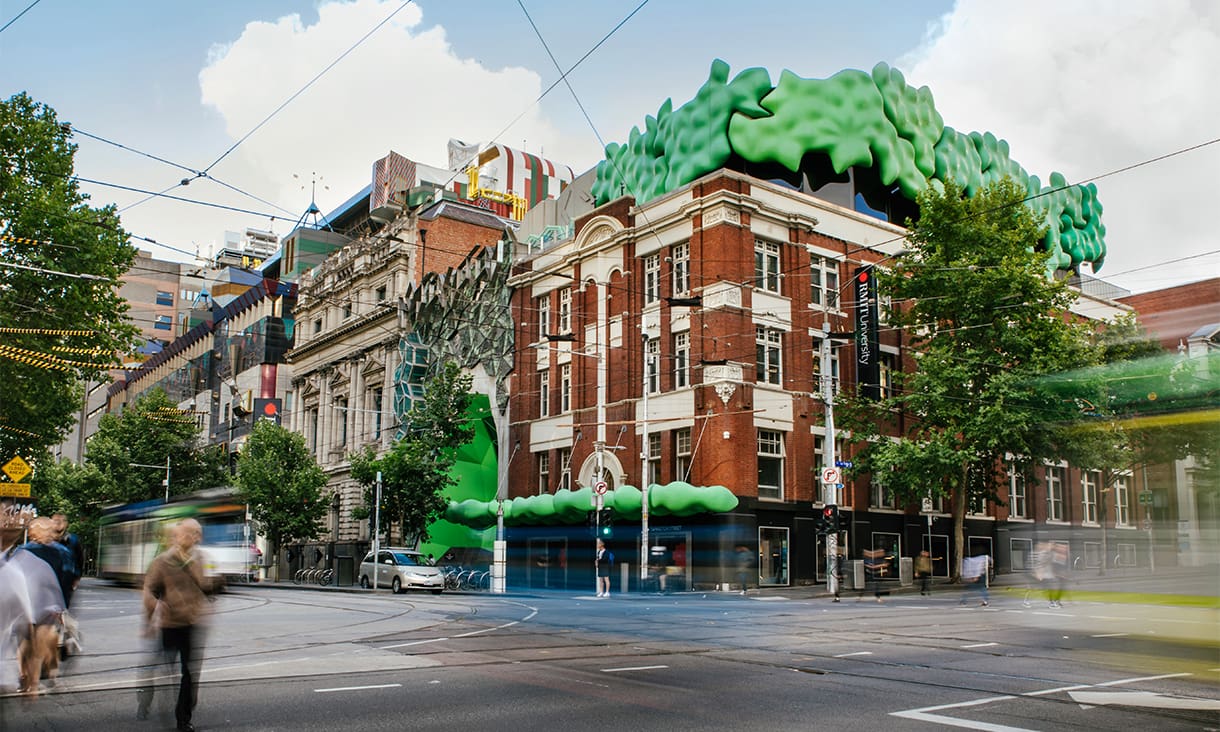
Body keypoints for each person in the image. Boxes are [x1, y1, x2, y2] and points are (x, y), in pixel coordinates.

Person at [138, 519, 220, 732]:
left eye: (197, 533)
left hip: (192, 624)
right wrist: (151, 617)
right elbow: (149, 590)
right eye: (191, 533)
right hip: (170, 624)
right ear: (179, 535)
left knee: (189, 673)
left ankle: (183, 718)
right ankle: (146, 698)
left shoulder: (202, 559)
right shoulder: (163, 561)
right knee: (166, 668)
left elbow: (207, 586)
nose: (195, 537)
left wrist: (216, 584)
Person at [1047, 542, 1069, 608]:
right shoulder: (1054, 554)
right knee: (1051, 587)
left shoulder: (1063, 555)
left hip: (1059, 574)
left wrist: (1064, 574)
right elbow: (1053, 565)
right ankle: (1052, 602)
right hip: (1052, 573)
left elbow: (1063, 566)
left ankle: (1057, 600)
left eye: (1065, 548)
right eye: (1063, 548)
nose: (1064, 549)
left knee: (1062, 586)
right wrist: (1056, 573)